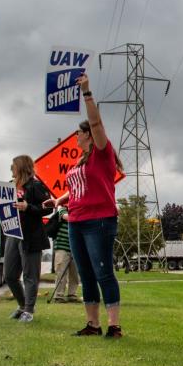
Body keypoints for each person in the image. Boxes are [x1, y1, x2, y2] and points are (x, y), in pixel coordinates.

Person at [47, 74, 123, 337]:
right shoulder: (79, 162)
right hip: (75, 222)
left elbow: (96, 121)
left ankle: (114, 325)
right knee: (87, 274)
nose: (76, 137)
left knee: (103, 272)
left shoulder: (102, 152)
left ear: (88, 135)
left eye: (79, 133)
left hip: (99, 221)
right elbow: (77, 189)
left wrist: (86, 93)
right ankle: (92, 323)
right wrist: (60, 200)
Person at [0, 155, 50, 323]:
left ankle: (29, 310)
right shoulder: (9, 186)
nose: (11, 168)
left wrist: (28, 207)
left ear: (22, 167)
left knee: (30, 275)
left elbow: (48, 208)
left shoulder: (35, 186)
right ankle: (22, 306)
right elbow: (6, 212)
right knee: (9, 275)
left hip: (30, 236)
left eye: (13, 165)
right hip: (12, 234)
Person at [51, 204, 80, 303]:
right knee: (61, 272)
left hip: (76, 247)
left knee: (75, 273)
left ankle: (72, 295)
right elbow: (67, 217)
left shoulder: (79, 209)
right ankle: (59, 296)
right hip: (62, 247)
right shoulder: (63, 209)